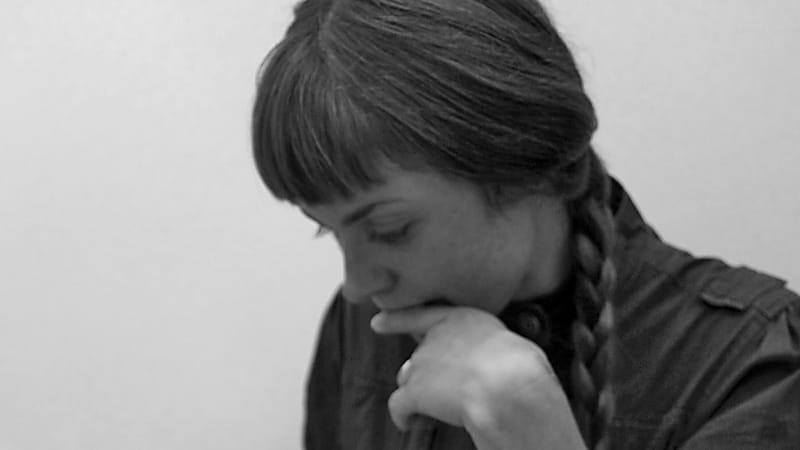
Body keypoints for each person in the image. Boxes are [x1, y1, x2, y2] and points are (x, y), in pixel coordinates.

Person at [251, 0, 800, 449]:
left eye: (391, 228)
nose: (357, 283)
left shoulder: (752, 368)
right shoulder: (359, 329)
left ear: (520, 169)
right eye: (327, 229)